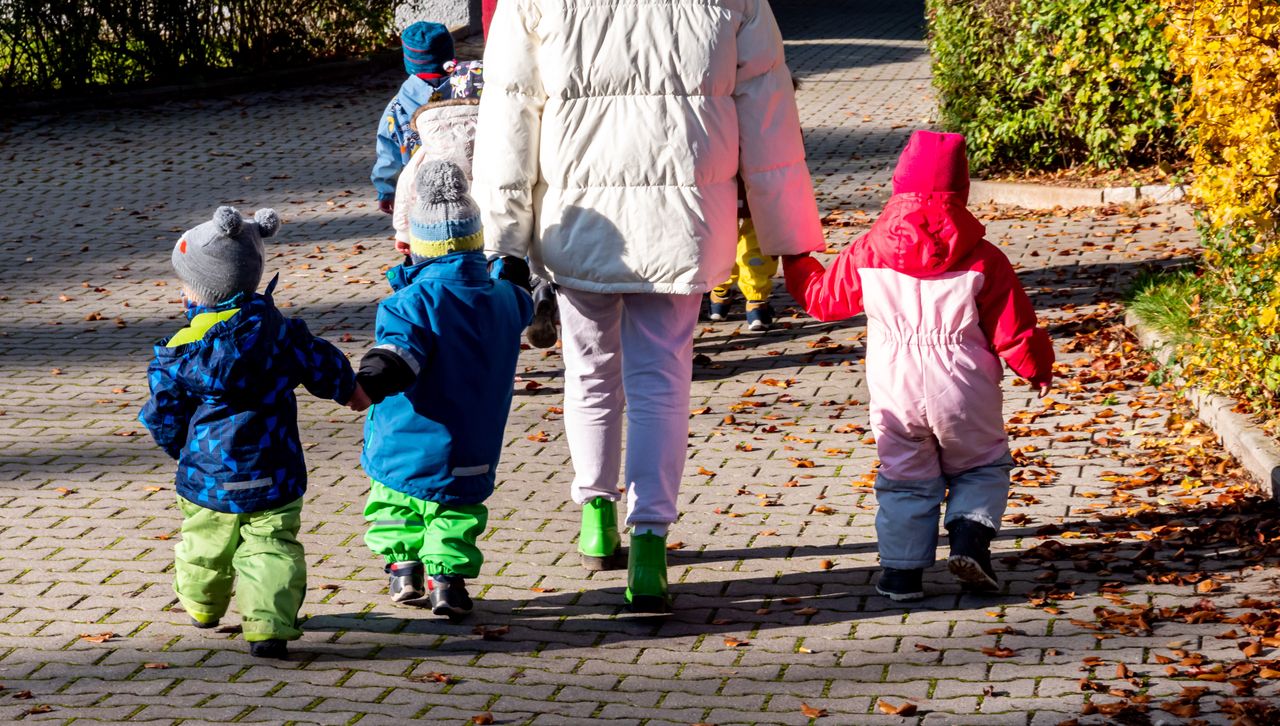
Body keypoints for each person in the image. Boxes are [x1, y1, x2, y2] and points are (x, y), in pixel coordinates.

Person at [473, 0, 824, 611]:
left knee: (589, 372)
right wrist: (789, 240)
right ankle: (650, 546)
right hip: (684, 220)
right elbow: (769, 117)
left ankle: (596, 517)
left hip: (581, 221)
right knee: (662, 380)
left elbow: (511, 114)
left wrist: (502, 240)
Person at [782, 130, 1055, 602]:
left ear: (899, 183)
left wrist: (795, 259)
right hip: (965, 385)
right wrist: (1036, 367)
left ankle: (901, 575)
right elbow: (1014, 325)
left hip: (897, 386)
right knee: (982, 465)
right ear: (961, 188)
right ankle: (969, 538)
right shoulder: (984, 257)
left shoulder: (868, 251)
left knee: (905, 477)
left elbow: (823, 299)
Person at [139, 207, 364, 658]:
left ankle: (202, 606)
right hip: (274, 471)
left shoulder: (181, 350)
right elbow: (324, 363)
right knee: (272, 547)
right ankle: (268, 627)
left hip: (207, 476)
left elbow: (164, 413)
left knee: (204, 543)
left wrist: (179, 448)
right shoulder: (284, 335)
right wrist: (351, 391)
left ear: (198, 292)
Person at [355, 160, 532, 619]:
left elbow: (398, 353)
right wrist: (511, 271)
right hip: (474, 442)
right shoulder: (503, 298)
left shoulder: (410, 302)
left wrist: (369, 381)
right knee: (456, 511)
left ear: (419, 248)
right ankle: (447, 583)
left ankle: (403, 569)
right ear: (476, 242)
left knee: (395, 502)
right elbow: (523, 299)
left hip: (404, 439)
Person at [371, 21, 457, 214]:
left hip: (416, 189)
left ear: (409, 62)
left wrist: (386, 190)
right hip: (466, 185)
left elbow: (387, 149)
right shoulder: (468, 92)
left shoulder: (397, 107)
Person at [707, 189, 778, 331]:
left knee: (721, 223)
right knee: (757, 224)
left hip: (714, 179)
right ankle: (756, 304)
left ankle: (719, 296)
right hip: (760, 179)